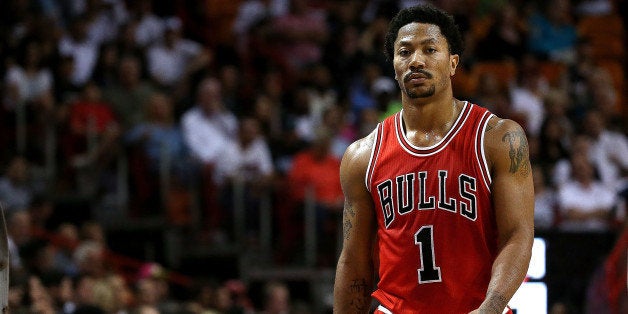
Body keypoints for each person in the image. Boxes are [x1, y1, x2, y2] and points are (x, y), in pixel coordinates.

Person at [333, 4, 534, 313]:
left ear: (453, 63)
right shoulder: (363, 155)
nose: (416, 60)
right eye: (404, 52)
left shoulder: (497, 138)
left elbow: (517, 236)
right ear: (395, 66)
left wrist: (491, 307)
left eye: (429, 49)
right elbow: (354, 261)